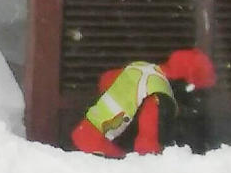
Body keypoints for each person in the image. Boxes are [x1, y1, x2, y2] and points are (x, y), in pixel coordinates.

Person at [70, 48, 216, 159]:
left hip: (83, 136)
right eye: (197, 93)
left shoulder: (142, 68)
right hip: (101, 151)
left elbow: (106, 79)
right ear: (186, 85)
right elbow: (146, 146)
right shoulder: (159, 95)